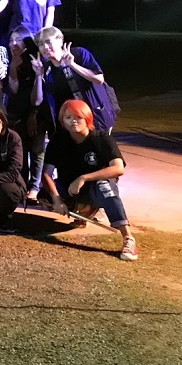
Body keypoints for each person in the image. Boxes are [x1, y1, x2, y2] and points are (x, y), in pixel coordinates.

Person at [42, 99, 137, 261]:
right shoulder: (58, 140)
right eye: (68, 117)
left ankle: (128, 238)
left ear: (87, 118)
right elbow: (46, 174)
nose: (73, 121)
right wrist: (57, 200)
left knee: (105, 188)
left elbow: (118, 168)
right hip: (70, 188)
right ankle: (84, 209)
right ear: (62, 121)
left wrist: (84, 178)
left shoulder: (101, 138)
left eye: (78, 117)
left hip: (96, 186)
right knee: (44, 196)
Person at [35, 26, 117, 133]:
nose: (45, 47)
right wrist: (38, 76)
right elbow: (37, 101)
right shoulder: (45, 67)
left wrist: (72, 65)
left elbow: (99, 79)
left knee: (97, 142)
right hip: (67, 123)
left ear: (60, 41)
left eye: (48, 42)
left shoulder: (79, 54)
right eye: (41, 44)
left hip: (94, 117)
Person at [5, 27, 47, 200]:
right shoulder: (10, 60)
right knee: (19, 149)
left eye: (18, 40)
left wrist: (34, 114)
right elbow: (14, 90)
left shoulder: (37, 60)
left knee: (36, 150)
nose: (14, 43)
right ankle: (21, 183)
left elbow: (37, 99)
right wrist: (13, 67)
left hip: (37, 113)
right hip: (16, 113)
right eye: (11, 40)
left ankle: (35, 186)